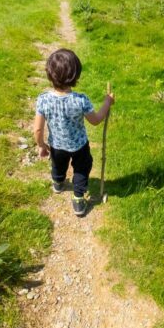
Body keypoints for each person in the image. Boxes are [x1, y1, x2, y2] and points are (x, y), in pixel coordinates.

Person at [33, 48, 114, 217]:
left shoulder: (43, 99)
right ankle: (78, 199)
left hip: (56, 145)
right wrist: (107, 102)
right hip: (79, 146)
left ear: (49, 74)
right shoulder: (80, 100)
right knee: (81, 169)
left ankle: (58, 183)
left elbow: (38, 129)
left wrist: (41, 145)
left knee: (58, 164)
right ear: (75, 75)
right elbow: (96, 119)